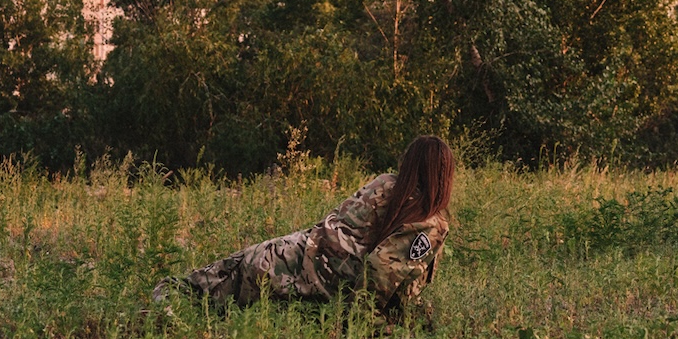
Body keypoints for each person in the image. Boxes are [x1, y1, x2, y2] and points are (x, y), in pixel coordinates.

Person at [152, 135, 454, 314]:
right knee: (207, 303)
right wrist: (367, 320)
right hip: (302, 281)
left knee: (196, 288)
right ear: (443, 174)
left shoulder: (385, 184)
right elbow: (380, 268)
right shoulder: (429, 219)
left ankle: (154, 311)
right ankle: (151, 321)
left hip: (284, 251)